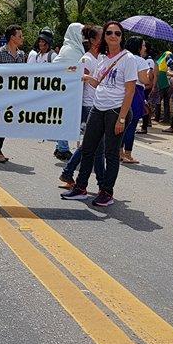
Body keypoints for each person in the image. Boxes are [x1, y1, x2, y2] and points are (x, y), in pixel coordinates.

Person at [60, 21, 137, 207]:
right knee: (88, 149)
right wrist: (86, 78)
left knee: (110, 154)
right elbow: (100, 84)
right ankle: (80, 187)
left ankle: (106, 192)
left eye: (117, 33)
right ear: (104, 37)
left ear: (122, 37)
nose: (113, 36)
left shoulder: (128, 58)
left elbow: (130, 91)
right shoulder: (102, 57)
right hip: (97, 108)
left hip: (115, 111)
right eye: (109, 33)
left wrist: (121, 118)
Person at [59, 25, 106, 195]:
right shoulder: (86, 59)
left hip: (100, 105)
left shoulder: (101, 57)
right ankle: (103, 186)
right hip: (89, 106)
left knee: (92, 146)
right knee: (98, 148)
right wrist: (89, 79)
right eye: (103, 35)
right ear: (93, 40)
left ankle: (68, 173)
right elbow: (78, 79)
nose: (107, 38)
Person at [0, 24, 27, 163]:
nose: (22, 38)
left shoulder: (21, 55)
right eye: (20, 36)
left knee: (7, 122)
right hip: (1, 94)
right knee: (3, 121)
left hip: (15, 95)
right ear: (12, 38)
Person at [29, 28, 69, 160]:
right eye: (40, 41)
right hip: (39, 93)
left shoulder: (53, 56)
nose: (41, 43)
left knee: (56, 120)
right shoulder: (36, 56)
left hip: (51, 94)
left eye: (44, 41)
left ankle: (61, 147)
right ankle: (61, 147)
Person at [120, 37, 151, 164]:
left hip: (121, 92)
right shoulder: (141, 61)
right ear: (138, 47)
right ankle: (128, 154)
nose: (145, 48)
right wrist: (149, 77)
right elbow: (144, 80)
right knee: (131, 125)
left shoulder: (122, 58)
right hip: (136, 92)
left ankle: (119, 151)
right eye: (143, 45)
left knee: (121, 122)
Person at [151, 49, 173, 124]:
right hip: (166, 84)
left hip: (161, 84)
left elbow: (157, 74)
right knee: (166, 102)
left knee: (158, 101)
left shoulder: (159, 62)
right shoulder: (168, 62)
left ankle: (157, 117)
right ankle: (166, 118)